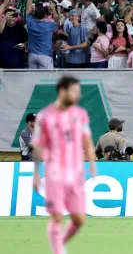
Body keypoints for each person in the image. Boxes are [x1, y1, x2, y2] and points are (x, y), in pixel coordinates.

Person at [32, 76, 97, 254]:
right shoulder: (45, 116)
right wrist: (36, 173)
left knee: (79, 220)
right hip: (55, 173)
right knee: (57, 215)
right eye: (75, 91)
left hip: (76, 173)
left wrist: (92, 163)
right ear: (62, 91)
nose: (78, 95)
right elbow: (38, 145)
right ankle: (59, 251)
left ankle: (59, 243)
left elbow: (87, 141)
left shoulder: (80, 114)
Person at [26, 0, 59, 69]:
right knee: (46, 81)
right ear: (45, 15)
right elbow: (57, 21)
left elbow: (28, 9)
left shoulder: (30, 23)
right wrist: (53, 9)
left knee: (33, 80)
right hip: (45, 56)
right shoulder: (49, 25)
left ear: (34, 14)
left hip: (32, 55)